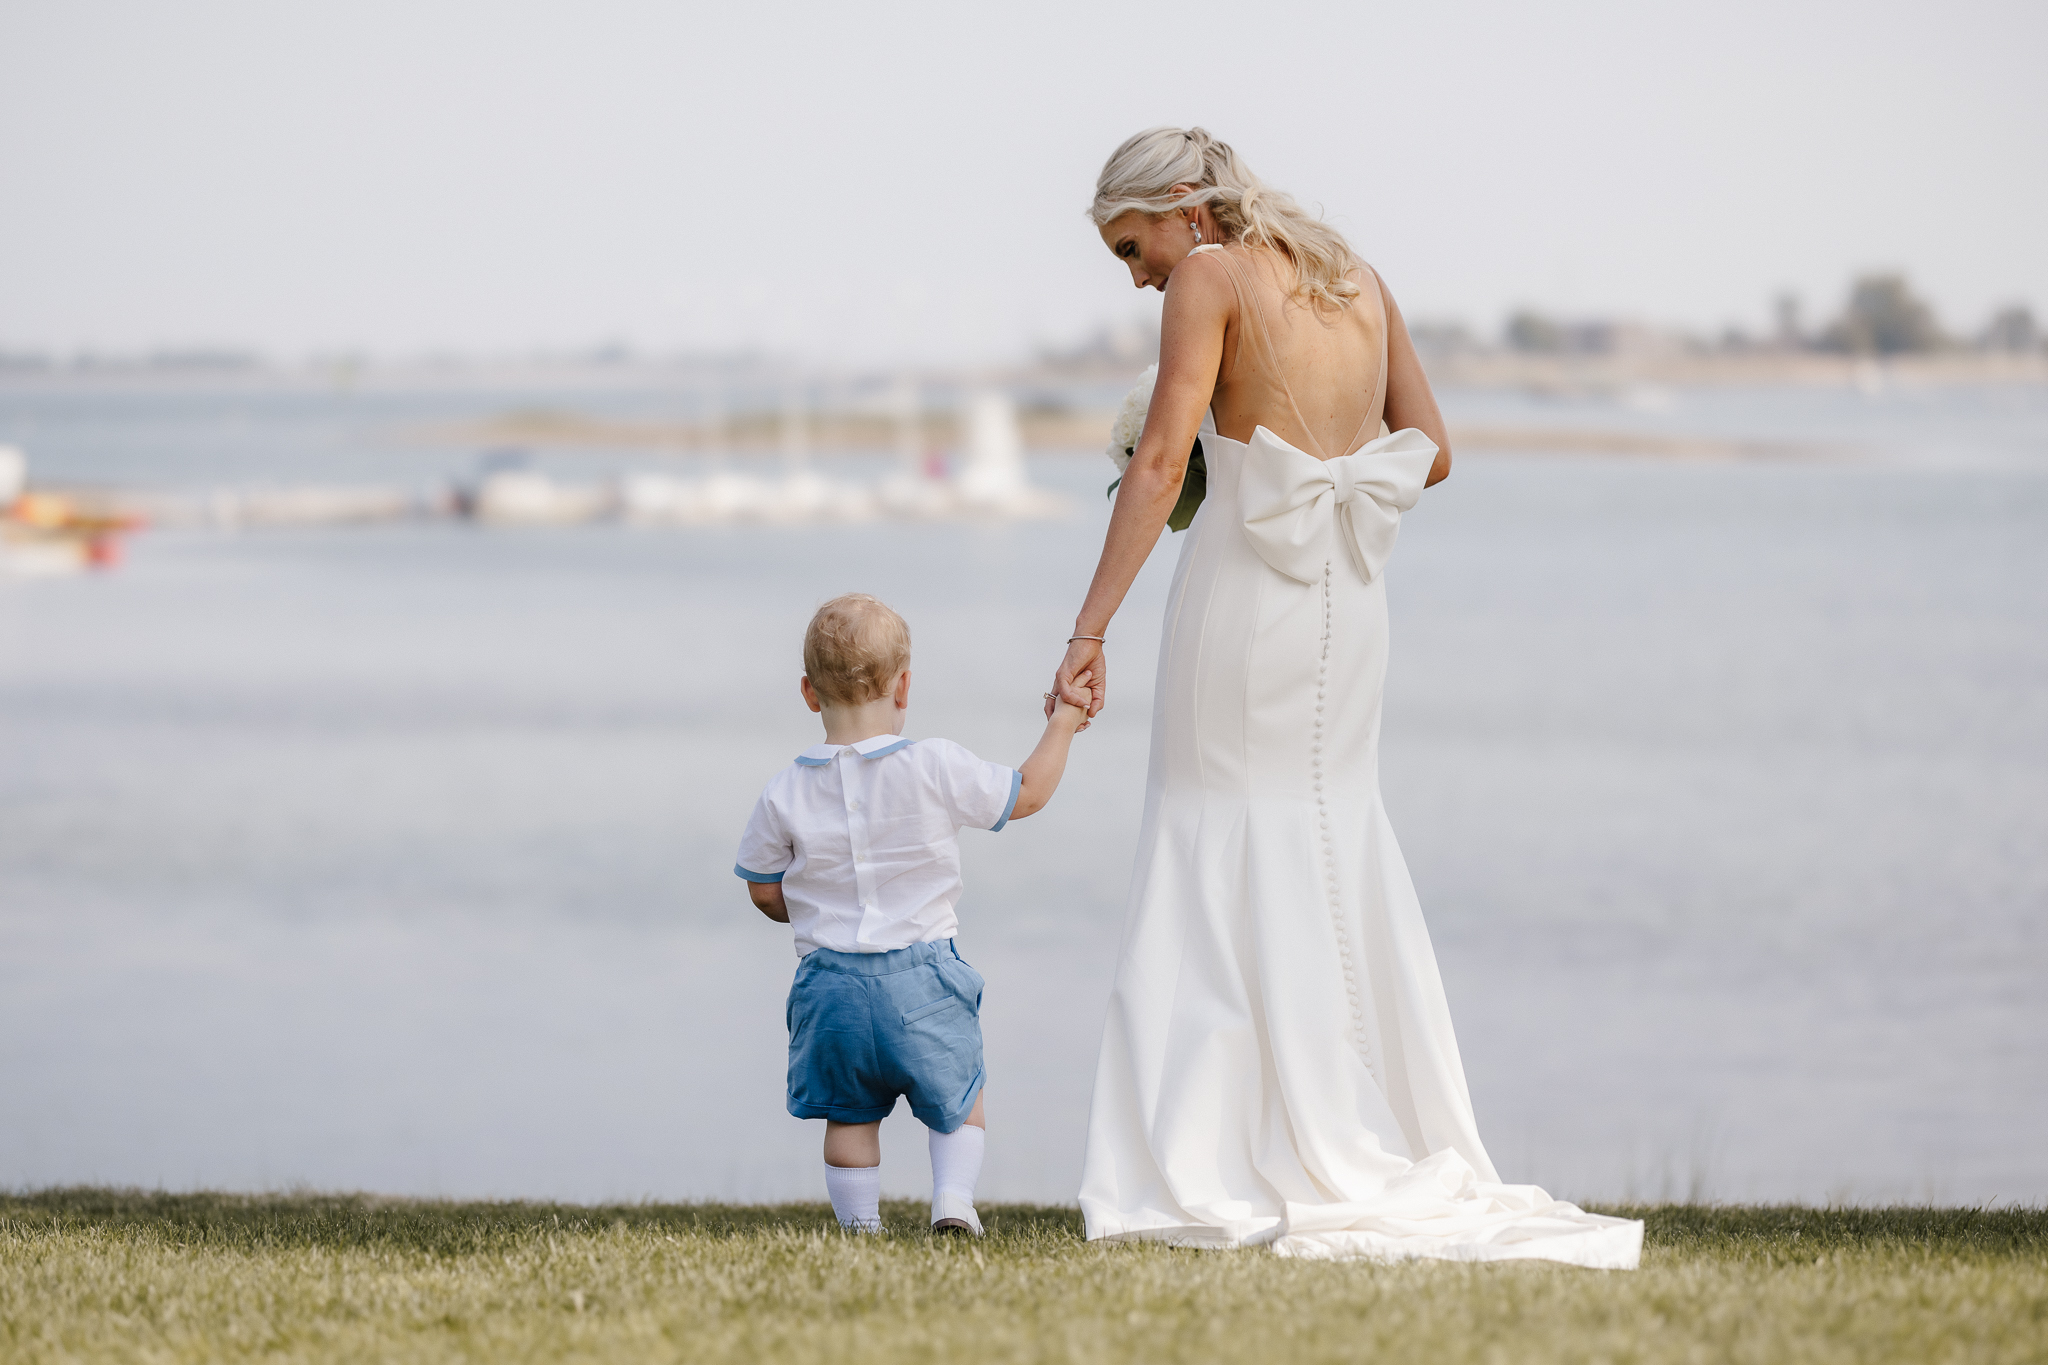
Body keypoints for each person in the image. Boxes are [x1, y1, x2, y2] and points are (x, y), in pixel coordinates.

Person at [1051, 128, 1642, 1266]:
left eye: (1133, 248)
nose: (1137, 276)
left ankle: (1221, 1143)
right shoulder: (1357, 279)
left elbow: (1163, 459)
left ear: (1184, 206)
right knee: (1328, 833)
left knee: (1214, 833)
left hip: (1242, 593)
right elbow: (1430, 451)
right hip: (1348, 600)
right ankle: (1350, 1112)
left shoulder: (1210, 280)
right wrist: (1331, 480)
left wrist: (1087, 630)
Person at [737, 592, 1090, 1236]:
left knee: (848, 1114)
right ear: (904, 687)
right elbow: (1028, 794)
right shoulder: (934, 765)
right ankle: (954, 1202)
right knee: (958, 1098)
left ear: (809, 694)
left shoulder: (783, 789)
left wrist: (816, 912)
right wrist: (1064, 719)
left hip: (832, 986)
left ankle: (861, 1229)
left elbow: (763, 890)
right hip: (923, 976)